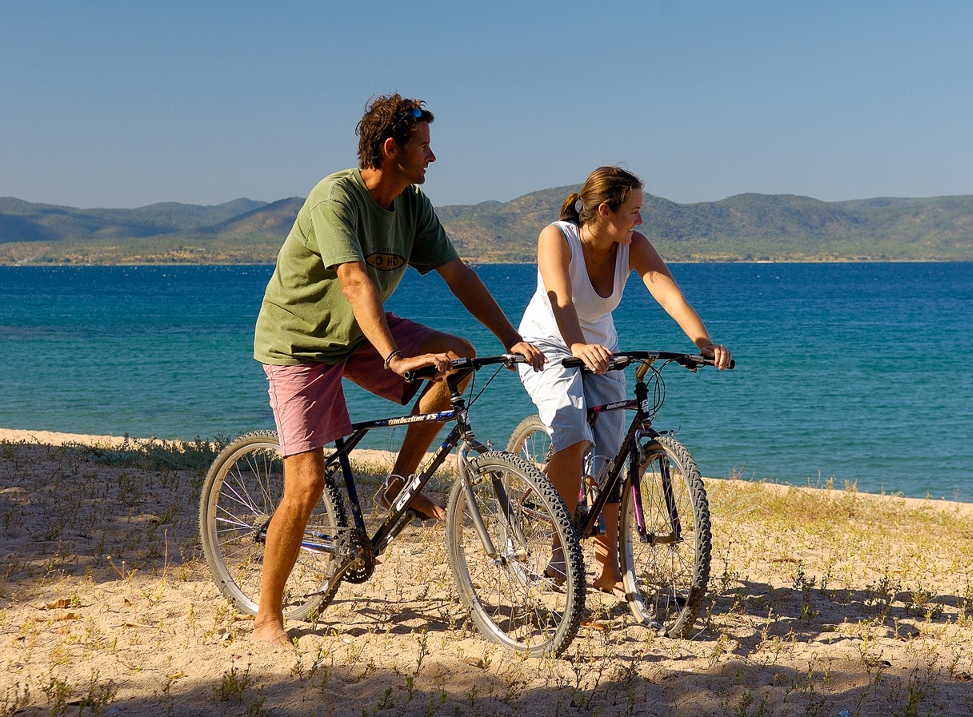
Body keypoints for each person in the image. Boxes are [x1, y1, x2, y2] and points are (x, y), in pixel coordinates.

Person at [251, 94, 544, 646]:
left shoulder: (412, 205)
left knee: (455, 359)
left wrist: (512, 339)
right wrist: (394, 356)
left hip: (363, 330)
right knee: (307, 484)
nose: (433, 159)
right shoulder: (335, 197)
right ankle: (268, 614)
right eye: (425, 148)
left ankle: (397, 485)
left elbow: (458, 274)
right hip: (300, 344)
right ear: (391, 150)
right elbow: (355, 281)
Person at [516, 166, 732, 595]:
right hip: (548, 345)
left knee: (613, 456)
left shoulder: (633, 246)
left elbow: (667, 291)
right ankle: (561, 548)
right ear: (604, 210)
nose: (640, 220)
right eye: (634, 211)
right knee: (574, 432)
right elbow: (559, 298)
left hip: (602, 349)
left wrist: (703, 341)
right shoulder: (556, 237)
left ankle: (609, 568)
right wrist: (575, 345)